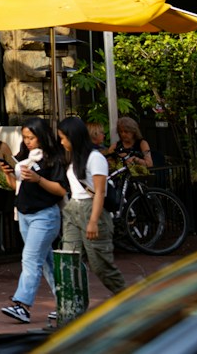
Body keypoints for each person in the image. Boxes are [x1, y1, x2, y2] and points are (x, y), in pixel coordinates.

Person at [0, 117, 67, 324]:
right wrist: (9, 174)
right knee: (45, 262)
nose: (27, 141)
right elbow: (17, 187)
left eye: (31, 137)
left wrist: (38, 179)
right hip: (25, 214)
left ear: (42, 136)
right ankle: (66, 302)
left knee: (30, 258)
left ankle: (22, 305)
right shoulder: (24, 157)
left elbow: (61, 189)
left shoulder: (52, 158)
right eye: (25, 137)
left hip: (44, 216)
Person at [57, 115, 126, 299]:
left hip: (92, 210)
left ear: (73, 137)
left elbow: (100, 192)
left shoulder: (95, 158)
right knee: (68, 259)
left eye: (63, 137)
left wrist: (93, 221)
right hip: (73, 209)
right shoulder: (73, 158)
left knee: (100, 266)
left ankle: (128, 298)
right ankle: (71, 308)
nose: (62, 142)